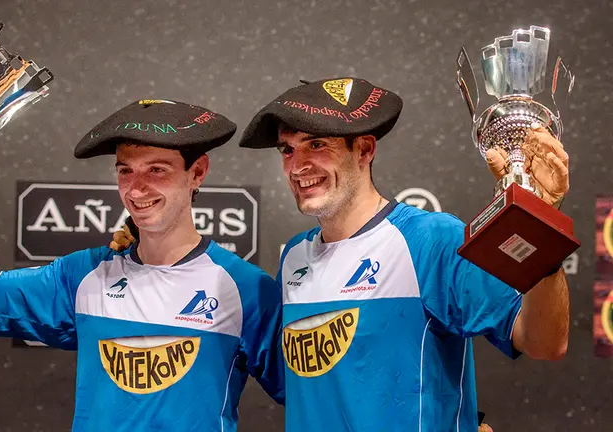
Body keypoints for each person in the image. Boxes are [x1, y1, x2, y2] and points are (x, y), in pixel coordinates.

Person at [0, 99, 285, 432]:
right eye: (125, 171)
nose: (136, 189)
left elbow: (316, 393)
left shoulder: (243, 288)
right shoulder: (86, 276)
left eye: (157, 170)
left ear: (197, 172)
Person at [235, 77, 570, 431]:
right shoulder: (293, 258)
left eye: (316, 144)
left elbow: (544, 342)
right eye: (287, 150)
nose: (297, 166)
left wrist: (539, 234)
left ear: (364, 150)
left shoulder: (431, 239)